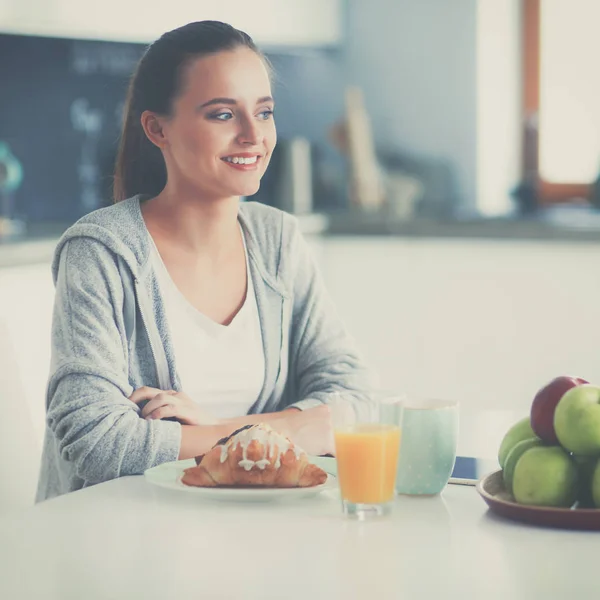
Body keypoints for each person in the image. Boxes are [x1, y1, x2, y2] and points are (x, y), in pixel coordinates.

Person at [36, 20, 373, 502]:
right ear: (157, 128)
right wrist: (292, 429)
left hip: (258, 538)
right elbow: (95, 441)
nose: (253, 136)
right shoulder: (100, 253)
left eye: (264, 112)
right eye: (222, 115)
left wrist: (220, 427)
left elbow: (354, 402)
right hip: (122, 541)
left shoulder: (277, 241)